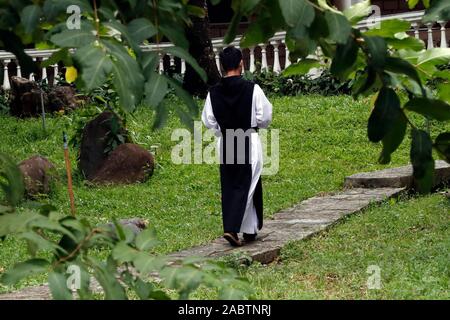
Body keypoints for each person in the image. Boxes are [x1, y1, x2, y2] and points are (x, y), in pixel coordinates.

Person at [201, 46, 273, 247]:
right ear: (241, 63)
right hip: (248, 138)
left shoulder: (213, 92)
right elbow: (265, 117)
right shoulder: (252, 89)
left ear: (221, 66)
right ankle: (231, 228)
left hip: (226, 140)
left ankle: (249, 229)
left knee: (232, 182)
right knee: (246, 182)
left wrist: (222, 130)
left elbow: (208, 120)